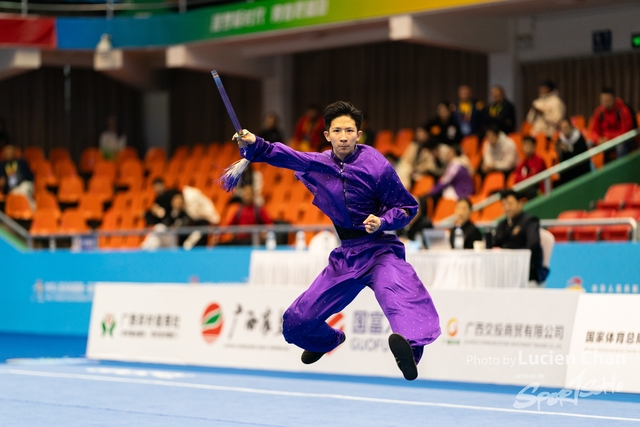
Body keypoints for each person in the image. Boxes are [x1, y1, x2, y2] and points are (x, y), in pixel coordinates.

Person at [233, 101, 441, 381]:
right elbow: (282, 154)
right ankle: (327, 341)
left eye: (349, 131)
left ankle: (410, 350)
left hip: (380, 250)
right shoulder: (321, 163)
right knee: (296, 322)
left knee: (400, 295)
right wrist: (254, 142)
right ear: (327, 135)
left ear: (359, 134)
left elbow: (407, 208)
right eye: (337, 131)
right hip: (347, 256)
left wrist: (383, 221)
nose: (344, 137)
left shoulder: (377, 165)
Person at [493, 190, 547, 284]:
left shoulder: (530, 221)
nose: (507, 208)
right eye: (504, 205)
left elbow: (533, 244)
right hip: (504, 268)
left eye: (510, 204)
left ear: (520, 203)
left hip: (526, 269)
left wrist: (517, 260)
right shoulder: (502, 224)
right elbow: (495, 243)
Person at [590, 88, 635, 163]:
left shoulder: (623, 110)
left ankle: (621, 169)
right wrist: (598, 139)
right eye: (603, 100)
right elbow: (594, 131)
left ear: (614, 99)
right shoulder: (599, 112)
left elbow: (625, 132)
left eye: (608, 100)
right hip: (605, 141)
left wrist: (609, 139)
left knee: (620, 146)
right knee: (588, 143)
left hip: (622, 141)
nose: (606, 103)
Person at [556, 119, 591, 186]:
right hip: (569, 174)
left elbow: (581, 156)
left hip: (581, 169)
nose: (565, 130)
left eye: (566, 127)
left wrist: (567, 151)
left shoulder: (579, 138)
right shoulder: (560, 142)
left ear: (570, 126)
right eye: (563, 128)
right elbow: (562, 161)